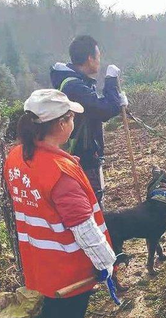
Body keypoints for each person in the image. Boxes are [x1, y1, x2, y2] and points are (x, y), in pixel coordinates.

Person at [4, 89, 119, 318]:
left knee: (51, 303)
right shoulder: (60, 172)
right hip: (67, 261)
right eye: (71, 117)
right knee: (71, 316)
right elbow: (84, 228)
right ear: (61, 125)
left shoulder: (16, 157)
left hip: (38, 255)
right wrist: (107, 263)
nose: (73, 121)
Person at [50, 35, 128, 206]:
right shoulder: (74, 86)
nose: (99, 62)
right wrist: (111, 82)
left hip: (83, 154)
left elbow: (97, 108)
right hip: (83, 157)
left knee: (93, 199)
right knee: (92, 203)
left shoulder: (76, 82)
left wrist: (116, 101)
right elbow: (104, 110)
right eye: (98, 57)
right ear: (89, 58)